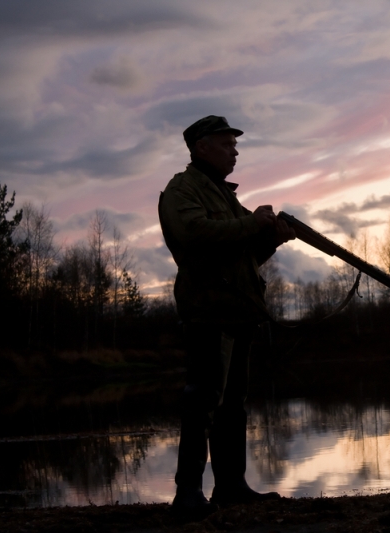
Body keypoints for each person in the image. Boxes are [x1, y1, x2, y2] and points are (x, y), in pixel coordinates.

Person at [158, 115, 296, 515]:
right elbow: (195, 235)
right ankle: (187, 494)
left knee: (233, 404)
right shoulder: (182, 190)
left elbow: (242, 256)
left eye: (234, 144)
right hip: (207, 311)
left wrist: (268, 239)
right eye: (227, 143)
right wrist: (251, 222)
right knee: (202, 400)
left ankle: (231, 487)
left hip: (238, 312)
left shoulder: (223, 195)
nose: (235, 150)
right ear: (202, 147)